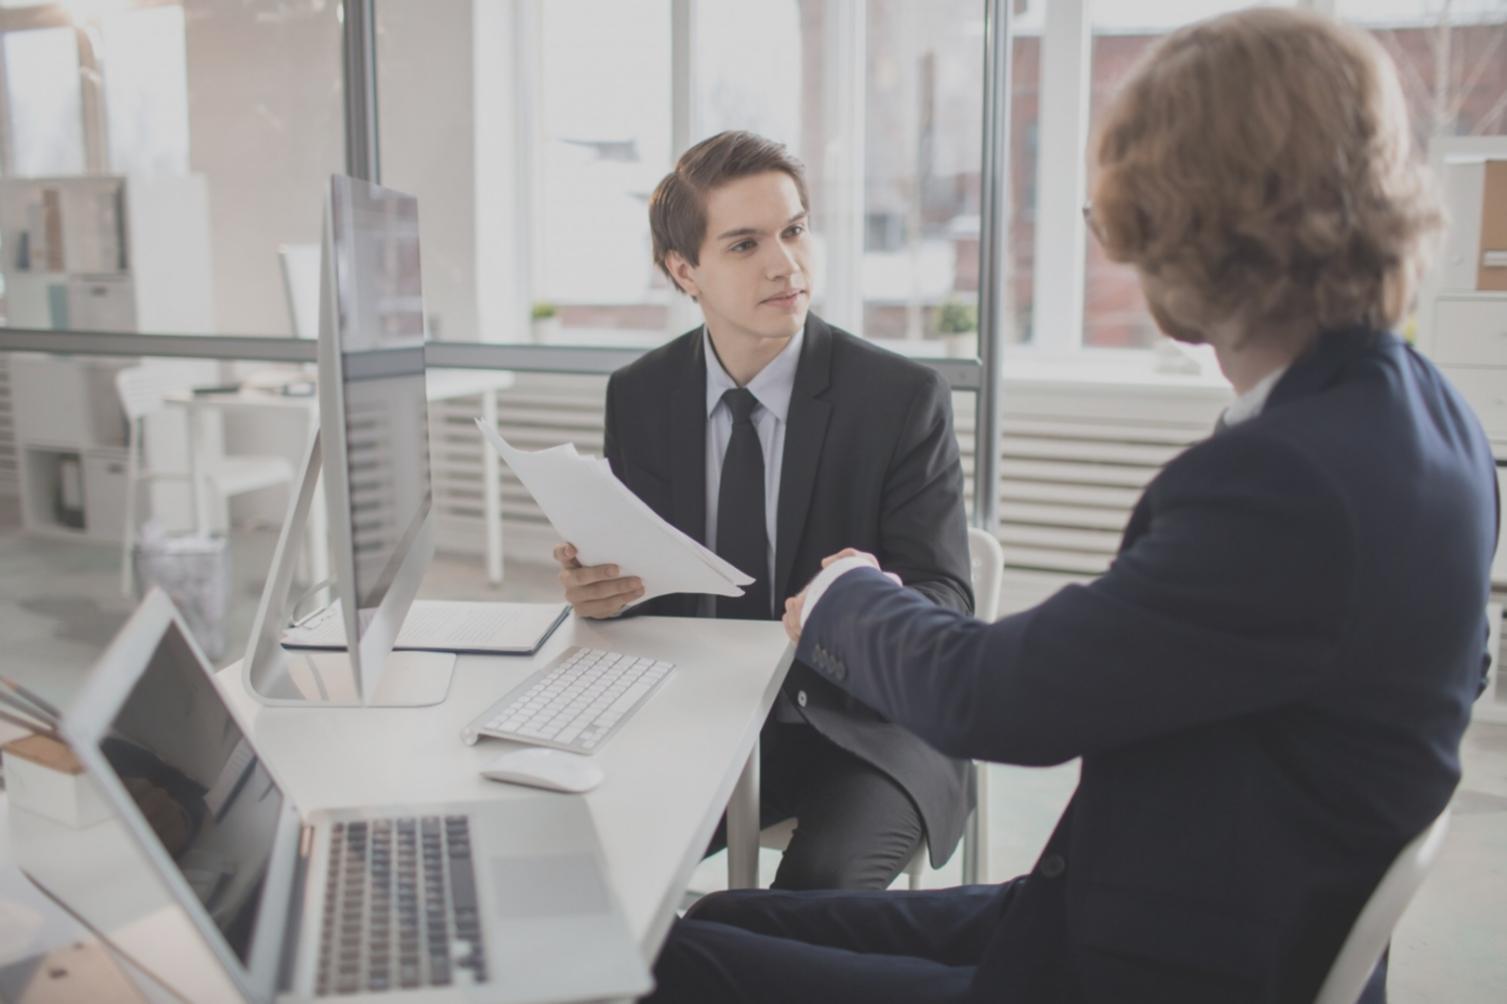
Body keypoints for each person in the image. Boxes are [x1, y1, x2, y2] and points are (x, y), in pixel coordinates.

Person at [644, 9, 1501, 1003]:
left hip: (1156, 962)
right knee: (715, 916)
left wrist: (843, 597)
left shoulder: (1290, 479)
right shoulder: (1425, 414)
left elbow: (996, 697)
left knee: (668, 959)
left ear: (1187, 220)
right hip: (1167, 900)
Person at [553, 130, 975, 890]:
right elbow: (648, 592)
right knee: (584, 861)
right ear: (684, 271)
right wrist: (600, 592)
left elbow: (947, 600)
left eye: (794, 230)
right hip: (698, 714)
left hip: (865, 726)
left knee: (815, 899)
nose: (785, 263)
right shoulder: (641, 397)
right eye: (745, 244)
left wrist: (864, 599)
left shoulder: (901, 399)